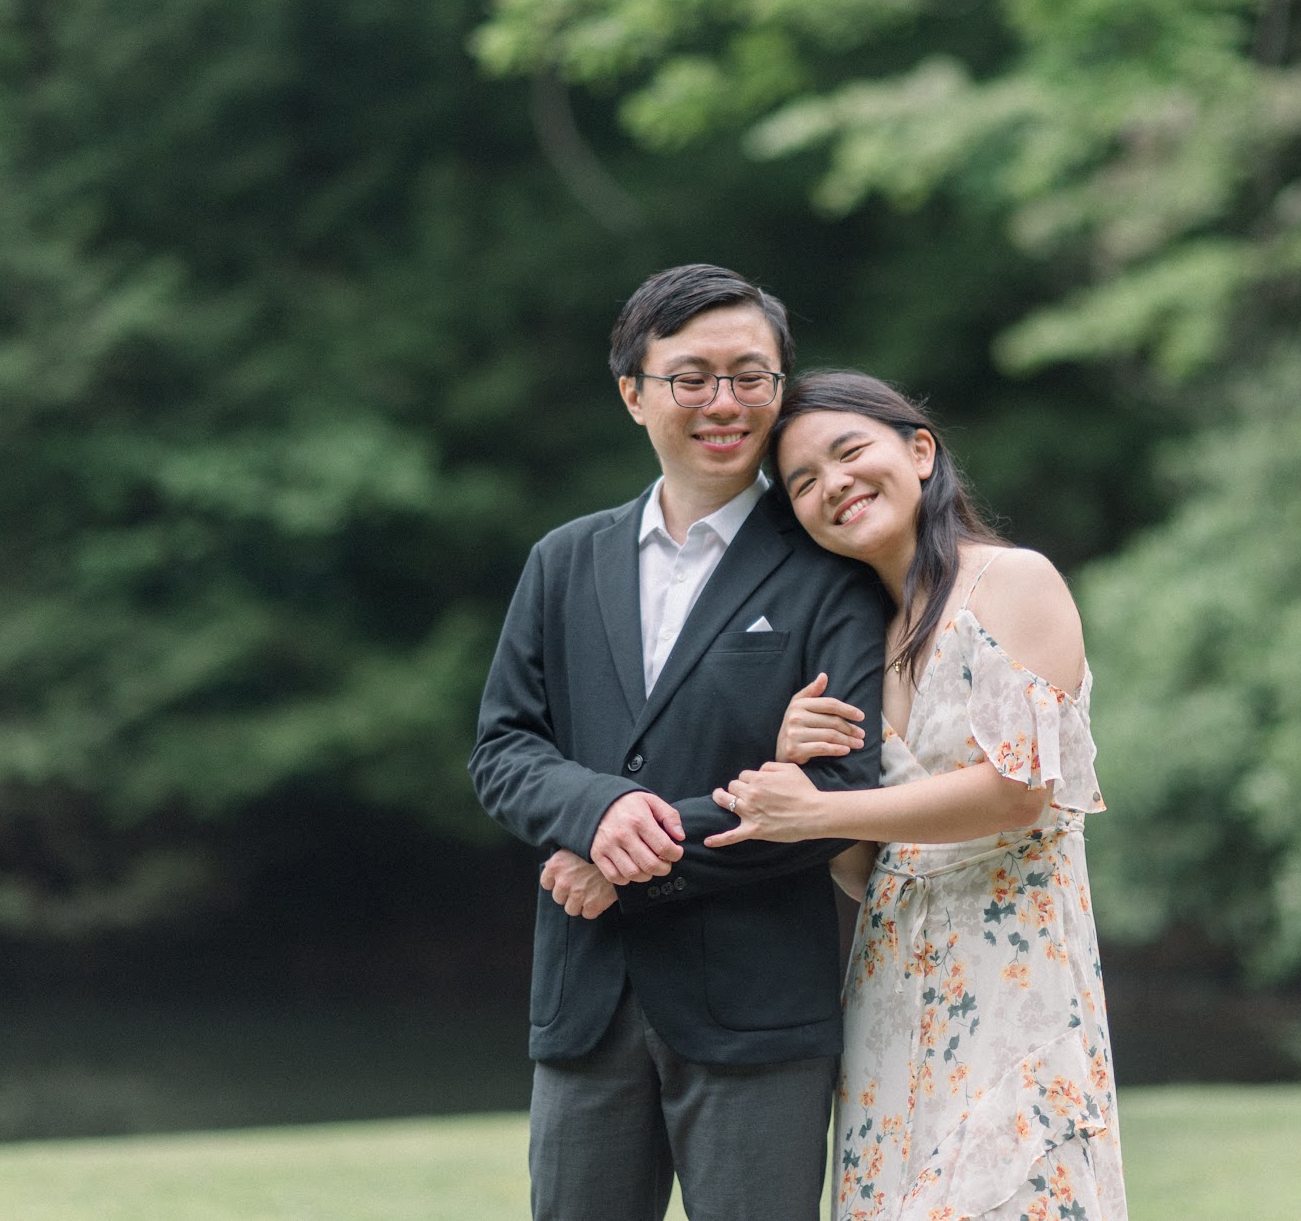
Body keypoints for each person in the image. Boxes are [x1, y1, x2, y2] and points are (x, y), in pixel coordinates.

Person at [468, 266, 889, 1221]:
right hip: (585, 999)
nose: (724, 403)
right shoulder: (563, 559)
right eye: (691, 377)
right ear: (634, 393)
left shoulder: (832, 566)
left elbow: (840, 793)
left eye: (752, 376)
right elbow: (504, 747)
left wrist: (632, 862)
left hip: (759, 1012)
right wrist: (600, 813)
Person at [707, 371, 1129, 1221]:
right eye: (803, 484)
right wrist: (804, 766)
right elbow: (874, 871)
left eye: (849, 451)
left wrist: (817, 812)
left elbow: (1018, 794)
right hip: (890, 995)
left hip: (1014, 987)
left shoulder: (1010, 582)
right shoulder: (861, 635)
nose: (834, 485)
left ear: (920, 451)